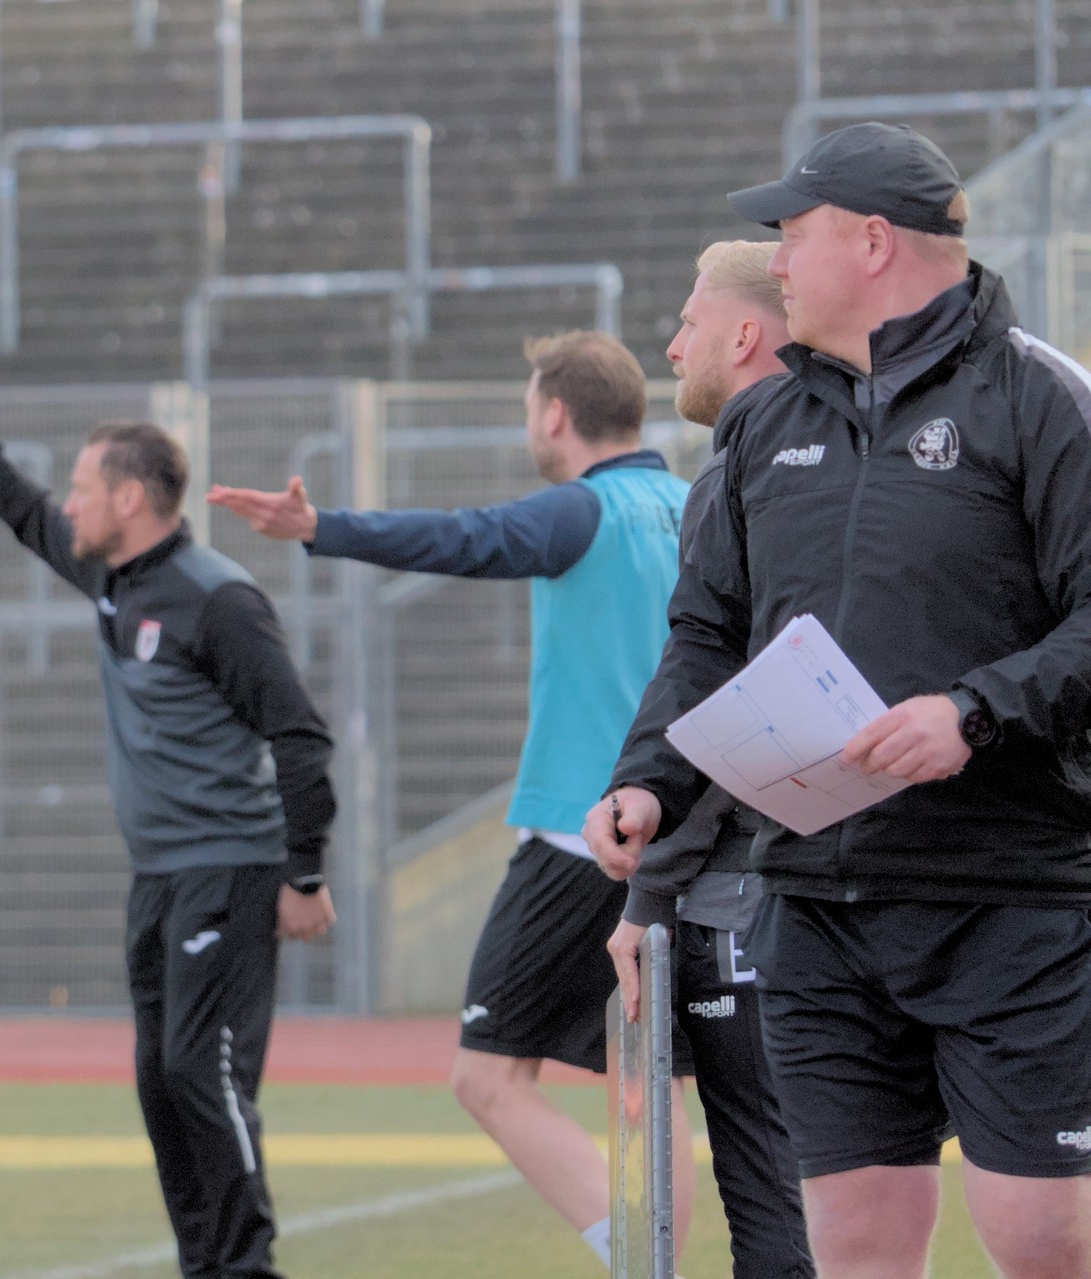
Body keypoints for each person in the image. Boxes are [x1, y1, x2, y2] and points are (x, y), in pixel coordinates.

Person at [585, 123, 1091, 1279]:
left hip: (1008, 900)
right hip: (814, 905)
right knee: (855, 1246)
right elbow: (707, 635)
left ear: (872, 242)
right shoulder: (763, 428)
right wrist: (650, 783)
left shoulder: (1040, 399)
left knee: (1041, 1242)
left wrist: (973, 712)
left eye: (794, 234)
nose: (780, 261)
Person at [206, 331, 693, 1270]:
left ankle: (638, 1261)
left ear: (555, 412)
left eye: (530, 405)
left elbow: (467, 538)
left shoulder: (584, 508)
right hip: (676, 837)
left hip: (578, 834)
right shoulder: (694, 505)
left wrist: (321, 527)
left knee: (488, 1075)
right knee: (649, 1077)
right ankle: (658, 1257)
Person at [0, 360, 337, 1279]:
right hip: (159, 877)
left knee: (201, 1071)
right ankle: (204, 1264)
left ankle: (248, 1265)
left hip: (230, 868)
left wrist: (304, 873)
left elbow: (299, 734)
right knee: (160, 1080)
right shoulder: (113, 578)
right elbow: (28, 516)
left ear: (130, 498)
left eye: (84, 486)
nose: (69, 502)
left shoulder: (219, 598)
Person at [594, 241, 815, 1279]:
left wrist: (651, 895)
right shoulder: (830, 456)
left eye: (689, 322)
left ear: (746, 333)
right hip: (826, 884)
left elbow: (739, 702)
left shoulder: (745, 474)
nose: (674, 346)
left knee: (779, 1202)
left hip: (757, 897)